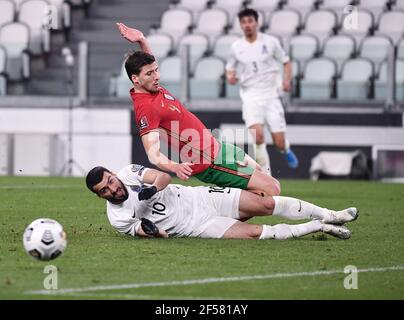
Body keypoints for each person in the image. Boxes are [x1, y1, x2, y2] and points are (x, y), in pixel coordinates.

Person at [115, 22, 282, 198]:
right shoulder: (146, 108)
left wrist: (141, 39)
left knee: (260, 174)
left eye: (156, 71)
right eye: (150, 73)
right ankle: (218, 222)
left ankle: (221, 217)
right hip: (209, 162)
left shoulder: (150, 86)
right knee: (271, 189)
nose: (157, 76)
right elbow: (153, 155)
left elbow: (148, 63)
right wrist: (175, 166)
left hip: (218, 147)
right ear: (135, 79)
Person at [85, 164, 358, 240]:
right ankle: (319, 226)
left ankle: (331, 214)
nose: (113, 188)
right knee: (254, 233)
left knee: (265, 204)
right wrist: (153, 231)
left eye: (110, 181)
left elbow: (162, 176)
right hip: (198, 227)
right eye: (105, 190)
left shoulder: (128, 173)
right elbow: (146, 231)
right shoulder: (116, 218)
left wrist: (152, 189)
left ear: (112, 174)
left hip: (201, 199)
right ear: (101, 196)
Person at [226, 8, 299, 173]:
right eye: (243, 22)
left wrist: (287, 81)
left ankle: (285, 149)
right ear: (240, 25)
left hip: (271, 96)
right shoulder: (236, 47)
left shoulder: (270, 42)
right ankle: (267, 177)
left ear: (257, 23)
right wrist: (230, 77)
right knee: (258, 137)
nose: (247, 25)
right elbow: (229, 69)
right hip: (250, 96)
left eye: (250, 21)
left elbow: (286, 62)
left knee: (278, 142)